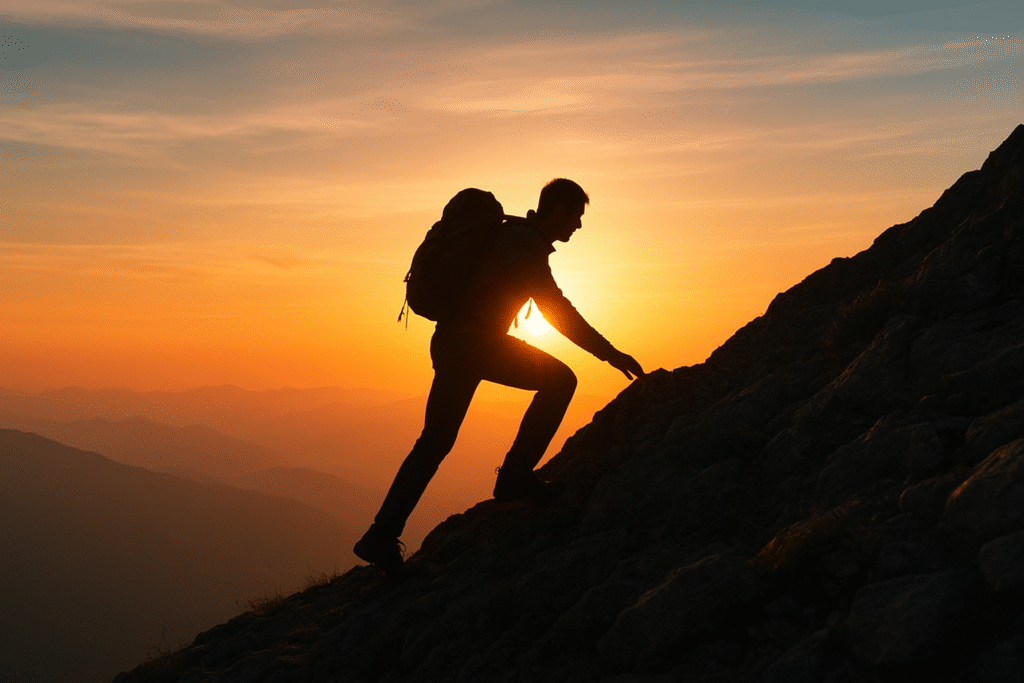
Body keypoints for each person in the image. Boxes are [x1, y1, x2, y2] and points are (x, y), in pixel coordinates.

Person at [354, 178, 644, 574]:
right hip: (478, 344)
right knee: (561, 381)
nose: (577, 225)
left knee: (434, 442)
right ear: (556, 209)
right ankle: (514, 478)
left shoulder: (511, 236)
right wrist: (610, 354)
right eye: (575, 216)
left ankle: (379, 535)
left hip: (452, 342)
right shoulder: (525, 245)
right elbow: (558, 312)